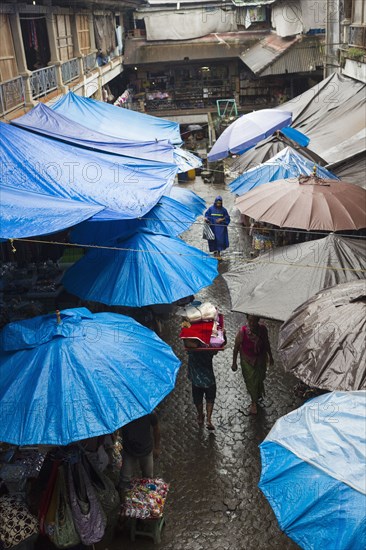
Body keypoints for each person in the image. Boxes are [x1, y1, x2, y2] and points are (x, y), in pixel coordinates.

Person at [231, 315, 274, 415]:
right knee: (251, 381)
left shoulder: (263, 330)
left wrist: (270, 356)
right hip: (247, 360)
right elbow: (236, 347)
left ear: (258, 320)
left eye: (254, 321)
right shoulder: (242, 332)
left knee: (260, 378)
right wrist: (234, 363)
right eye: (250, 321)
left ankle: (257, 394)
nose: (252, 323)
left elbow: (266, 343)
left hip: (260, 359)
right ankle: (254, 402)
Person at [187, 332, 226, 430]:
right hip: (204, 379)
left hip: (201, 379)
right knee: (205, 400)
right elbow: (220, 345)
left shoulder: (196, 348)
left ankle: (204, 417)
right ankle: (205, 417)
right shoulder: (207, 347)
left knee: (203, 400)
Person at [119, 412, 160, 490]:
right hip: (129, 451)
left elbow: (156, 428)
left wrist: (157, 447)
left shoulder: (149, 413)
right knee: (124, 480)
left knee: (148, 478)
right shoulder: (123, 413)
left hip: (146, 450)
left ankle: (147, 498)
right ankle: (124, 499)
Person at [204, 196, 230, 260]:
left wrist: (222, 219)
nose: (218, 205)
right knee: (213, 240)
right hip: (212, 227)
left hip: (220, 229)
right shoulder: (211, 209)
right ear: (215, 202)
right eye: (217, 203)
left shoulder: (224, 210)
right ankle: (215, 251)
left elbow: (227, 218)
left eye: (220, 203)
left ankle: (218, 252)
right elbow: (206, 215)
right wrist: (206, 219)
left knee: (220, 241)